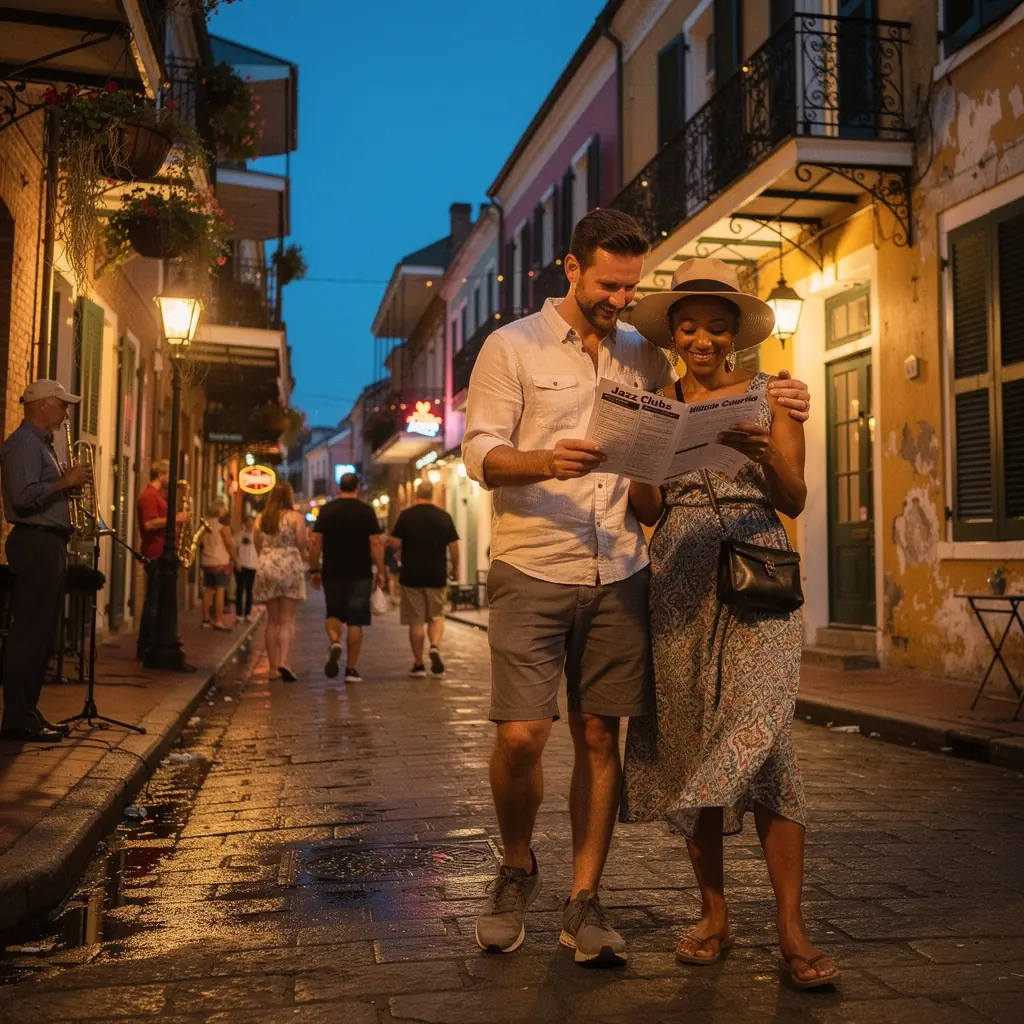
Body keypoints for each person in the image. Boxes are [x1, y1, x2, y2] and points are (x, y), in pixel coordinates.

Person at [462, 209, 812, 964]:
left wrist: (782, 412)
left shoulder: (646, 361)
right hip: (543, 560)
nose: (620, 301)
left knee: (609, 735)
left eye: (631, 288)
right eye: (610, 286)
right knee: (525, 735)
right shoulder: (512, 346)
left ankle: (587, 897)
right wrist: (546, 462)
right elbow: (481, 449)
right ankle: (518, 866)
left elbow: (712, 463)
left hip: (630, 568)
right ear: (572, 269)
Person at [621, 257, 838, 990]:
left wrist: (765, 453)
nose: (702, 340)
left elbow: (795, 497)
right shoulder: (655, 403)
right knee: (693, 742)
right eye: (689, 327)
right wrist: (641, 461)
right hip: (679, 578)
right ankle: (713, 915)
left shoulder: (774, 397)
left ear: (736, 333)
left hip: (757, 573)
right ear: (674, 334)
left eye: (716, 327)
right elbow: (649, 510)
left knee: (766, 744)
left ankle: (791, 927)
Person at [0, 379, 91, 742]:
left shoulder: (41, 445)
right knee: (29, 633)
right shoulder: (23, 444)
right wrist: (63, 483)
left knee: (41, 635)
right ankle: (17, 716)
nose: (66, 413)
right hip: (34, 542)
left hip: (48, 543)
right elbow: (23, 497)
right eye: (62, 405)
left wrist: (66, 487)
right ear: (42, 405)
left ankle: (28, 711)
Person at [307, 473, 384, 683]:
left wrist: (314, 569)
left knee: (333, 612)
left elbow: (316, 541)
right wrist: (381, 571)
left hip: (333, 571)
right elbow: (376, 543)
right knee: (356, 621)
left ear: (339, 487)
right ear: (357, 487)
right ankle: (351, 669)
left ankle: (334, 641)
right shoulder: (366, 511)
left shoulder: (327, 510)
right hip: (360, 572)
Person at [389, 481, 459, 678]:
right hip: (437, 574)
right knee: (436, 616)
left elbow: (394, 543)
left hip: (411, 575)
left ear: (416, 495)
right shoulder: (443, 517)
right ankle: (434, 646)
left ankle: (419, 664)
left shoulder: (406, 516)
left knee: (416, 621)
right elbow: (454, 546)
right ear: (432, 495)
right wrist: (455, 568)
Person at [252, 483, 308, 682]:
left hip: (267, 564)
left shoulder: (261, 518)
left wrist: (267, 557)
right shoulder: (295, 518)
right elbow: (301, 542)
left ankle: (272, 669)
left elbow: (257, 543)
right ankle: (284, 661)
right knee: (287, 620)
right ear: (289, 497)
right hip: (289, 566)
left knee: (272, 620)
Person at [135, 459, 188, 660]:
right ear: (161, 475)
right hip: (155, 552)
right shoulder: (149, 495)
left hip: (161, 552)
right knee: (153, 602)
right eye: (169, 474)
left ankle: (153, 644)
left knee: (158, 602)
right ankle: (145, 647)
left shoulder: (157, 495)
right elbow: (149, 524)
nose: (171, 479)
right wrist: (176, 519)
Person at [199, 500, 235, 631]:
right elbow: (229, 542)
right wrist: (234, 557)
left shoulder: (205, 524)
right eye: (223, 507)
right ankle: (219, 620)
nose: (225, 509)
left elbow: (200, 542)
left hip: (207, 561)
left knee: (208, 590)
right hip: (220, 561)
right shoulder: (222, 524)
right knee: (220, 590)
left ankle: (205, 619)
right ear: (219, 510)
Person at [233, 514, 258, 621]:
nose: (250, 523)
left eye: (252, 521)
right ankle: (239, 613)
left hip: (252, 565)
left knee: (249, 590)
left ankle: (247, 613)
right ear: (245, 522)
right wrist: (236, 561)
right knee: (239, 589)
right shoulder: (239, 535)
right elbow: (234, 548)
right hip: (241, 565)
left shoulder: (256, 536)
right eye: (248, 521)